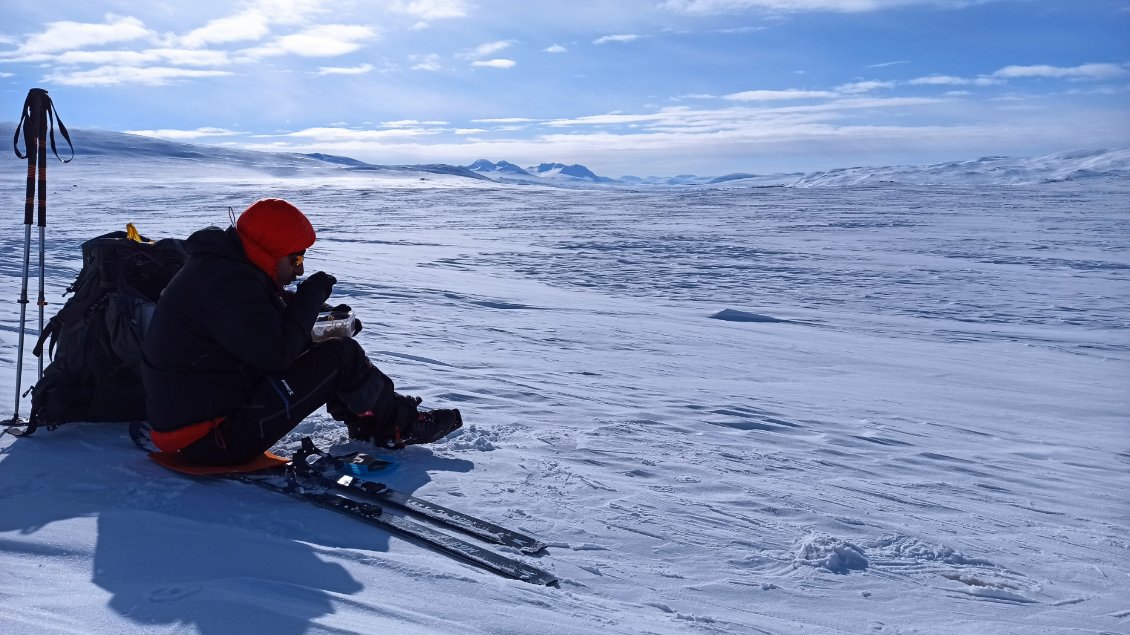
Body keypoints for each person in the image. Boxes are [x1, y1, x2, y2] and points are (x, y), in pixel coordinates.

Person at [139, 198, 461, 466]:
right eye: (295, 257)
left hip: (203, 420)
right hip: (211, 441)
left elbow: (263, 337)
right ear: (270, 250)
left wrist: (317, 324)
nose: (299, 269)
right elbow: (276, 353)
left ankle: (372, 419)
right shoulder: (227, 283)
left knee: (329, 348)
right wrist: (309, 297)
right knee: (342, 356)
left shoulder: (226, 271)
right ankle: (396, 427)